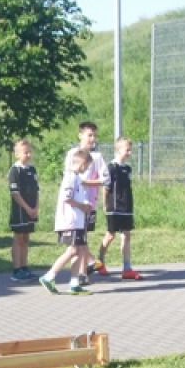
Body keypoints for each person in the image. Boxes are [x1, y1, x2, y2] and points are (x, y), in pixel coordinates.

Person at [39, 147, 94, 295]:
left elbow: (77, 197)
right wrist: (82, 206)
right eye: (87, 166)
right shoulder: (70, 177)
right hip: (70, 221)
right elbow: (66, 198)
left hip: (78, 221)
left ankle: (74, 283)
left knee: (79, 251)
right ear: (82, 163)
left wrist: (86, 205)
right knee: (73, 250)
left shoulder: (77, 178)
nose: (87, 169)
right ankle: (49, 276)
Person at [65, 121, 110, 285]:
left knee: (83, 239)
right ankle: (80, 271)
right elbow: (68, 177)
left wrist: (87, 183)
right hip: (75, 205)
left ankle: (83, 272)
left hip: (89, 205)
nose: (93, 139)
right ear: (80, 135)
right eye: (89, 135)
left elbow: (105, 180)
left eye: (95, 136)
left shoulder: (97, 157)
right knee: (76, 241)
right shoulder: (72, 154)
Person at [97, 137, 143, 280]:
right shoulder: (111, 167)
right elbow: (106, 187)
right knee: (111, 235)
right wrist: (105, 204)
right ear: (118, 149)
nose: (129, 153)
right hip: (114, 207)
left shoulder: (127, 168)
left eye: (130, 150)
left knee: (127, 235)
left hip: (126, 207)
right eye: (127, 150)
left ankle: (127, 268)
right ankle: (99, 262)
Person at [8, 138, 39, 282]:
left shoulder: (32, 169)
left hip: (31, 209)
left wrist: (36, 207)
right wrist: (27, 208)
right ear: (17, 154)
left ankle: (25, 267)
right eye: (25, 152)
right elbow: (15, 194)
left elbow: (36, 190)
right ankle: (17, 270)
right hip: (20, 211)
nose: (28, 155)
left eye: (30, 152)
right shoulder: (15, 171)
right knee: (18, 238)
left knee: (26, 238)